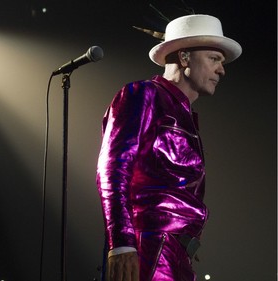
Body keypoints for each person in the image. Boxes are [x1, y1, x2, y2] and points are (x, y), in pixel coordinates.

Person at [96, 14, 242, 281]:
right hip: (149, 249)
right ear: (184, 58)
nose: (222, 70)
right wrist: (122, 242)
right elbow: (113, 169)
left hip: (175, 252)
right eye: (214, 59)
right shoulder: (143, 95)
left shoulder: (185, 115)